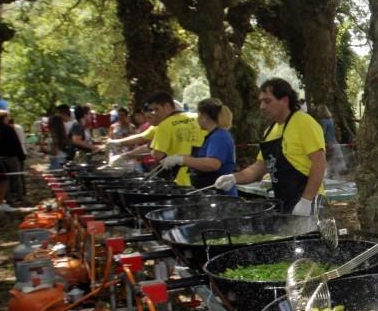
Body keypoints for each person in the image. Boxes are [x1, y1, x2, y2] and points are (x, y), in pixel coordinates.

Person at [215, 79, 325, 215]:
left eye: (267, 101)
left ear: (284, 100)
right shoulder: (269, 131)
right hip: (284, 202)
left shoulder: (304, 123)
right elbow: (259, 168)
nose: (262, 106)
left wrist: (306, 201)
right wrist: (233, 178)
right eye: (261, 101)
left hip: (309, 204)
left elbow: (319, 163)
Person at [107, 92, 204, 185]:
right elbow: (143, 136)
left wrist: (125, 156)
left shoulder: (164, 125)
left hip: (183, 177)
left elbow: (157, 154)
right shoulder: (197, 117)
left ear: (167, 107)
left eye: (156, 110)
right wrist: (117, 142)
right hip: (206, 173)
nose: (154, 114)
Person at [159, 98, 237, 192]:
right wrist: (177, 158)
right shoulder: (212, 136)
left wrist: (181, 159)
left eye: (199, 114)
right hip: (208, 191)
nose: (197, 118)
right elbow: (200, 157)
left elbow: (213, 164)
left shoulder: (219, 137)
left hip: (219, 194)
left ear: (204, 116)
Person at [0, 109, 26, 205]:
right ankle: (18, 197)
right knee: (15, 177)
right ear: (3, 118)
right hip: (11, 157)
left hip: (0, 157)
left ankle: (8, 197)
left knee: (4, 179)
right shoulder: (9, 129)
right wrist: (21, 155)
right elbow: (16, 143)